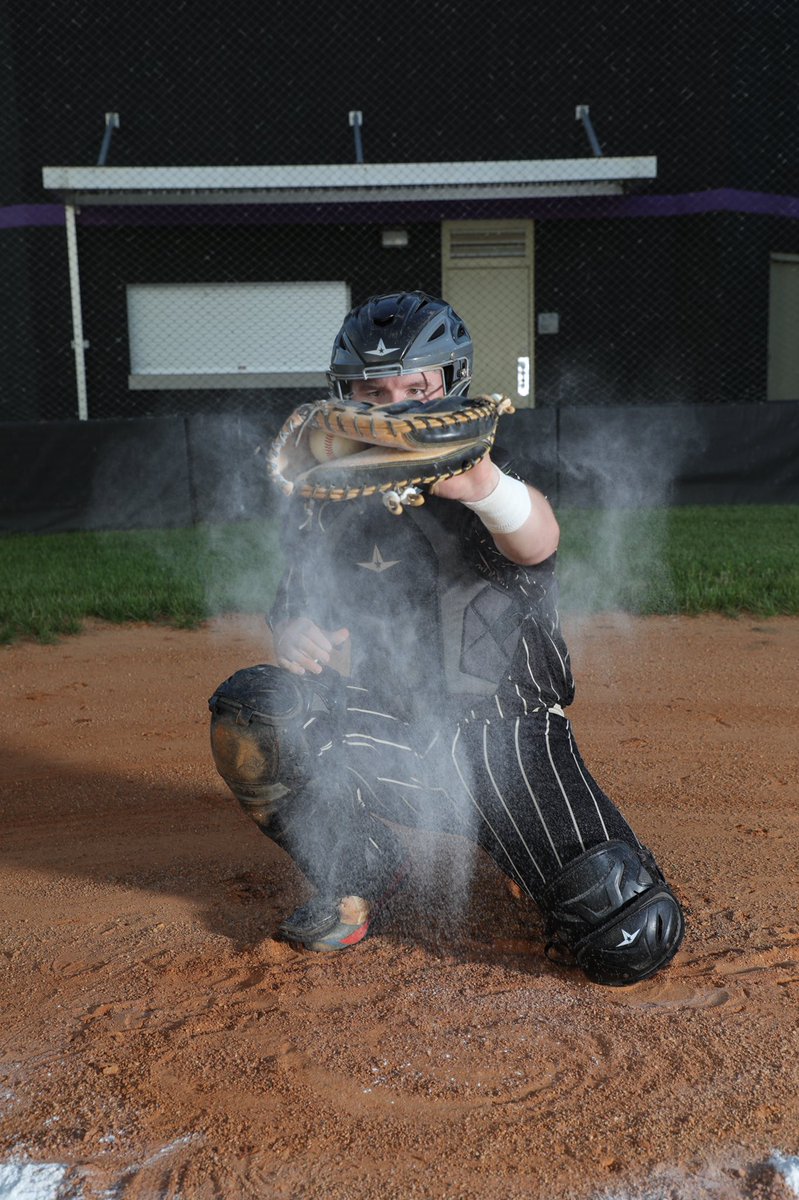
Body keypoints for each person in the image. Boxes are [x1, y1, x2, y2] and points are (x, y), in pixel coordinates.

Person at [209, 291, 685, 986]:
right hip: (400, 738)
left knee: (628, 933)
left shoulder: (488, 473)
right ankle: (364, 871)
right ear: (345, 395)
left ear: (452, 383)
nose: (395, 406)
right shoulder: (336, 497)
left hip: (508, 745)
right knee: (256, 714)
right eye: (374, 391)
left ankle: (527, 849)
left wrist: (481, 485)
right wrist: (297, 628)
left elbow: (536, 541)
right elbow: (297, 601)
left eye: (416, 388)